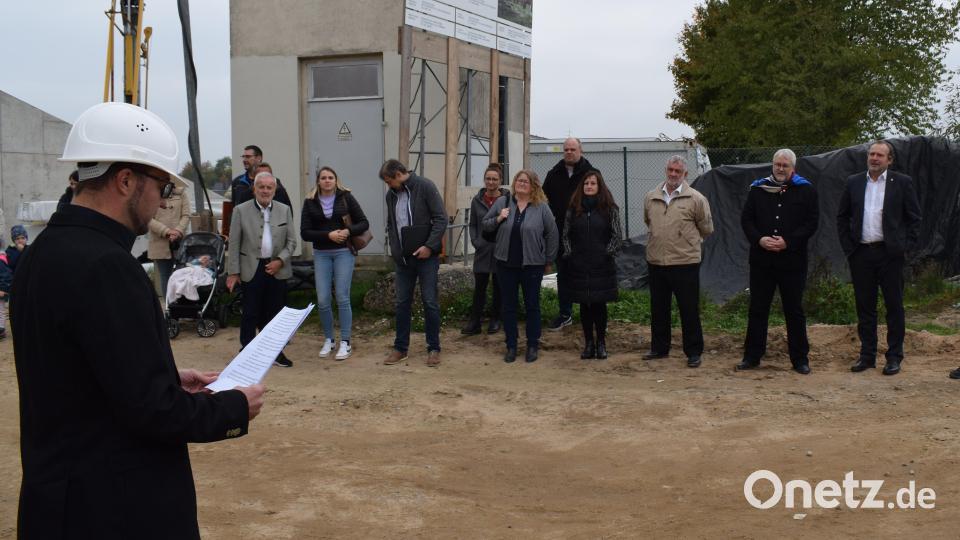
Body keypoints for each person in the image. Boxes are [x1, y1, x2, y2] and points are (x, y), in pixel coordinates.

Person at [11, 102, 264, 538]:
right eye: (161, 187)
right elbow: (153, 412)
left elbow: (82, 373)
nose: (162, 203)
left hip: (56, 502)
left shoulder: (41, 253)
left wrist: (164, 374)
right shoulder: (108, 267)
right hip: (115, 508)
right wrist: (233, 406)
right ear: (126, 180)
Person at [837, 140, 921, 376]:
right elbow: (842, 217)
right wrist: (849, 248)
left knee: (894, 306)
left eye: (880, 155)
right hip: (861, 253)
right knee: (865, 307)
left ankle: (894, 356)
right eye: (871, 154)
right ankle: (867, 356)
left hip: (890, 255)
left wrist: (904, 248)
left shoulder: (902, 183)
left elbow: (914, 218)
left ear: (889, 160)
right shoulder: (854, 182)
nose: (874, 158)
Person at [737, 149, 819, 375]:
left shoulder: (806, 190)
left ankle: (800, 359)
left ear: (793, 167)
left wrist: (788, 242)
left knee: (794, 310)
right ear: (772, 165)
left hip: (792, 262)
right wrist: (759, 239)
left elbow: (811, 224)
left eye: (785, 165)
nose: (780, 168)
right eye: (777, 164)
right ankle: (752, 356)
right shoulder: (758, 189)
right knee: (758, 309)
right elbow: (747, 220)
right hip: (762, 261)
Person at [642, 156, 714, 368]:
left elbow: (706, 228)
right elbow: (649, 221)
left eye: (678, 171)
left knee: (688, 309)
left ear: (685, 175)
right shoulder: (650, 197)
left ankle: (693, 351)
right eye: (671, 170)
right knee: (658, 308)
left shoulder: (696, 199)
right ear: (666, 170)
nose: (673, 174)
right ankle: (659, 348)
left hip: (685, 262)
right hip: (656, 262)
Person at [482, 169, 559, 363]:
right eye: (519, 180)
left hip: (532, 265)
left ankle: (532, 344)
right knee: (509, 307)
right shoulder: (503, 202)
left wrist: (548, 260)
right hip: (506, 264)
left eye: (525, 181)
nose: (521, 184)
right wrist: (499, 217)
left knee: (532, 306)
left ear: (533, 185)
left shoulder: (541, 207)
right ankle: (511, 345)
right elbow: (486, 225)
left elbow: (552, 234)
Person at [380, 159, 448, 367]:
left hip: (427, 257)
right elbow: (392, 224)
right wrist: (394, 248)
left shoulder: (425, 186)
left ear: (399, 174)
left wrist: (429, 246)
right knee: (401, 303)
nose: (389, 185)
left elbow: (441, 218)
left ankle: (433, 348)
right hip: (403, 258)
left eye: (389, 181)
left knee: (429, 302)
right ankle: (401, 348)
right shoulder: (390, 195)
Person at [227, 172, 299, 367]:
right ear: (255, 189)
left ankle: (275, 353)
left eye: (269, 187)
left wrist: (280, 261)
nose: (265, 190)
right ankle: (247, 352)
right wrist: (233, 272)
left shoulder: (284, 210)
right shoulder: (241, 210)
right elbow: (233, 243)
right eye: (262, 187)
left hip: (277, 267)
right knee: (250, 312)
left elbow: (292, 242)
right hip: (250, 266)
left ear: (274, 190)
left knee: (275, 313)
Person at [300, 166, 369, 361]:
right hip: (321, 253)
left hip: (343, 253)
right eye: (323, 178)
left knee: (342, 296)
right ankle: (329, 339)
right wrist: (327, 235)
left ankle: (345, 341)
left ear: (336, 180)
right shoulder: (310, 201)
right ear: (318, 181)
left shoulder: (345, 196)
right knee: (322, 299)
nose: (327, 180)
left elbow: (363, 223)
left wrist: (348, 232)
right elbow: (305, 232)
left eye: (331, 177)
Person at [562, 170, 623, 360]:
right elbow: (566, 234)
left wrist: (607, 254)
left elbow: (617, 235)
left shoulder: (609, 208)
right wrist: (570, 254)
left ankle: (601, 343)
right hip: (579, 265)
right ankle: (588, 343)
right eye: (586, 183)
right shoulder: (574, 208)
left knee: (599, 304)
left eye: (593, 183)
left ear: (599, 186)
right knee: (584, 305)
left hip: (601, 265)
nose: (589, 186)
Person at [542, 137, 596, 331]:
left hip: (584, 236)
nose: (569, 152)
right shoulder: (553, 175)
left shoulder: (591, 174)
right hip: (559, 235)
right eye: (566, 149)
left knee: (583, 275)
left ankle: (587, 314)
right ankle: (565, 314)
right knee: (563, 276)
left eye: (573, 149)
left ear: (580, 150)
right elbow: (543, 202)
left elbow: (601, 202)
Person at [462, 163, 509, 335]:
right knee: (479, 288)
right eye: (488, 179)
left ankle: (496, 320)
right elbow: (473, 224)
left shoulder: (506, 200)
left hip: (500, 249)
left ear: (500, 181)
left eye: (494, 179)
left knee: (498, 287)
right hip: (482, 250)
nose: (491, 182)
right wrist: (476, 241)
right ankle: (475, 322)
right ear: (484, 180)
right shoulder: (477, 200)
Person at [147, 183, 191, 300]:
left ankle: (183, 306)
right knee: (165, 275)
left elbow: (186, 215)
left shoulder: (181, 193)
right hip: (160, 242)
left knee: (182, 275)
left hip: (179, 242)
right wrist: (166, 231)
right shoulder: (150, 193)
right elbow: (148, 218)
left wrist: (177, 231)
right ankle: (169, 308)